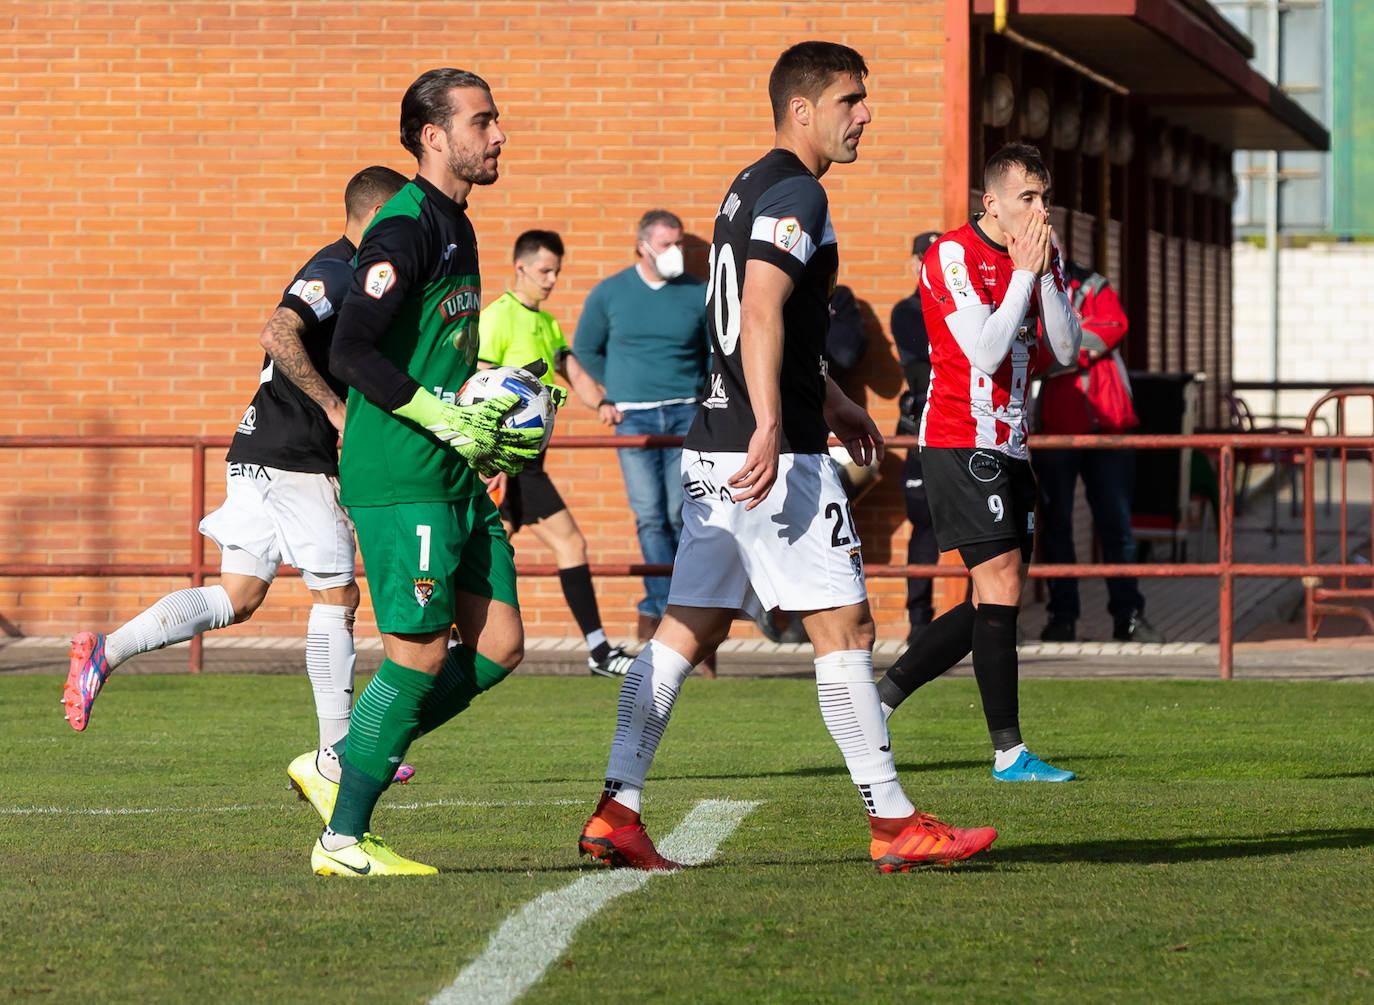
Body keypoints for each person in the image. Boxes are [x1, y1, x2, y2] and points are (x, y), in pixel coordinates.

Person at [577, 41, 997, 874]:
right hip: (773, 458)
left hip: (717, 445)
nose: (865, 115)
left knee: (683, 631)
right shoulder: (800, 190)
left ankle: (616, 808)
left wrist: (831, 397)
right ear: (802, 109)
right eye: (850, 100)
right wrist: (777, 421)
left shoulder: (750, 183)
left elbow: (756, 312)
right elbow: (762, 305)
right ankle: (892, 820)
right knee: (846, 626)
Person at [62, 166, 418, 793]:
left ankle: (105, 652)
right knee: (337, 597)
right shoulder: (338, 269)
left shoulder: (361, 274)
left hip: (256, 448)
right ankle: (337, 756)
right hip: (295, 457)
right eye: (400, 216)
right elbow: (277, 332)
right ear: (377, 212)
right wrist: (335, 412)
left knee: (238, 595)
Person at [307, 67, 544, 877]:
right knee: (416, 655)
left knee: (501, 643)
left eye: (496, 119)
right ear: (433, 137)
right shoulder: (404, 227)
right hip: (401, 470)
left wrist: (484, 417)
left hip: (452, 469)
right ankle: (343, 835)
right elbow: (349, 349)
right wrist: (440, 413)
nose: (498, 134)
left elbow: (440, 348)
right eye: (482, 122)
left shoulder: (460, 225)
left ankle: (350, 754)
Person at [875, 143, 1082, 783]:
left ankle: (877, 702)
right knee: (999, 586)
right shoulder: (952, 256)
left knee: (998, 595)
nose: (1039, 211)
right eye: (1027, 198)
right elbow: (987, 354)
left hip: (1011, 443)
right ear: (991, 202)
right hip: (959, 440)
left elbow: (1069, 350)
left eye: (1044, 198)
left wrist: (1043, 274)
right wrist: (1023, 274)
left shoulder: (1037, 256)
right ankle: (1009, 753)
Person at [477, 229, 636, 677]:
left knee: (549, 545)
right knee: (494, 551)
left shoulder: (544, 323)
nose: (551, 280)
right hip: (504, 465)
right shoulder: (497, 318)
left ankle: (598, 652)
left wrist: (601, 402)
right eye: (545, 271)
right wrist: (490, 461)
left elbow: (571, 369)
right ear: (520, 267)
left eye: (557, 272)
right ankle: (454, 639)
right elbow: (481, 388)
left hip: (530, 466)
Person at [575, 209, 709, 643]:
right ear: (643, 247)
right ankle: (668, 610)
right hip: (633, 417)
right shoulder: (611, 293)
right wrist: (612, 389)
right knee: (650, 515)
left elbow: (714, 352)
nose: (676, 253)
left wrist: (706, 395)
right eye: (667, 244)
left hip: (686, 413)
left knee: (680, 513)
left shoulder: (697, 292)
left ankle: (666, 610)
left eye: (680, 244)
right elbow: (585, 349)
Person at [1034, 261, 1164, 644]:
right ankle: (1062, 617)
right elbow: (1036, 349)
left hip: (1110, 426)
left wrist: (1065, 347)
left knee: (1116, 527)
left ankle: (1129, 617)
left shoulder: (1093, 284)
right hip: (1056, 427)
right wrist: (1070, 343)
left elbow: (1113, 329)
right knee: (1056, 526)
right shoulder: (1025, 288)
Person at [890, 230, 943, 642]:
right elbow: (919, 373)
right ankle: (919, 623)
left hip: (964, 426)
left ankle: (990, 617)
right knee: (923, 522)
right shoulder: (908, 311)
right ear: (913, 264)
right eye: (926, 258)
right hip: (923, 426)